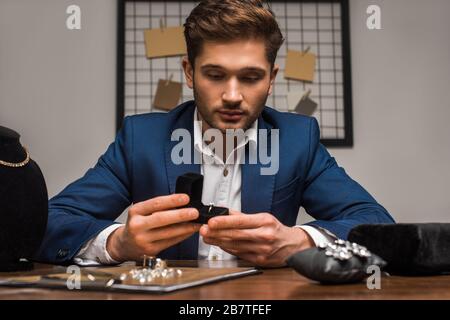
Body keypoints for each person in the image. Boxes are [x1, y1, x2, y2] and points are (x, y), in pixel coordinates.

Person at [35, 0, 394, 267]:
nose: (233, 95)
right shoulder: (139, 139)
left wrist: (299, 240)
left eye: (251, 77)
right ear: (189, 73)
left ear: (271, 78)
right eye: (216, 75)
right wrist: (118, 242)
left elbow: (377, 224)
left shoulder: (297, 139)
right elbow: (46, 224)